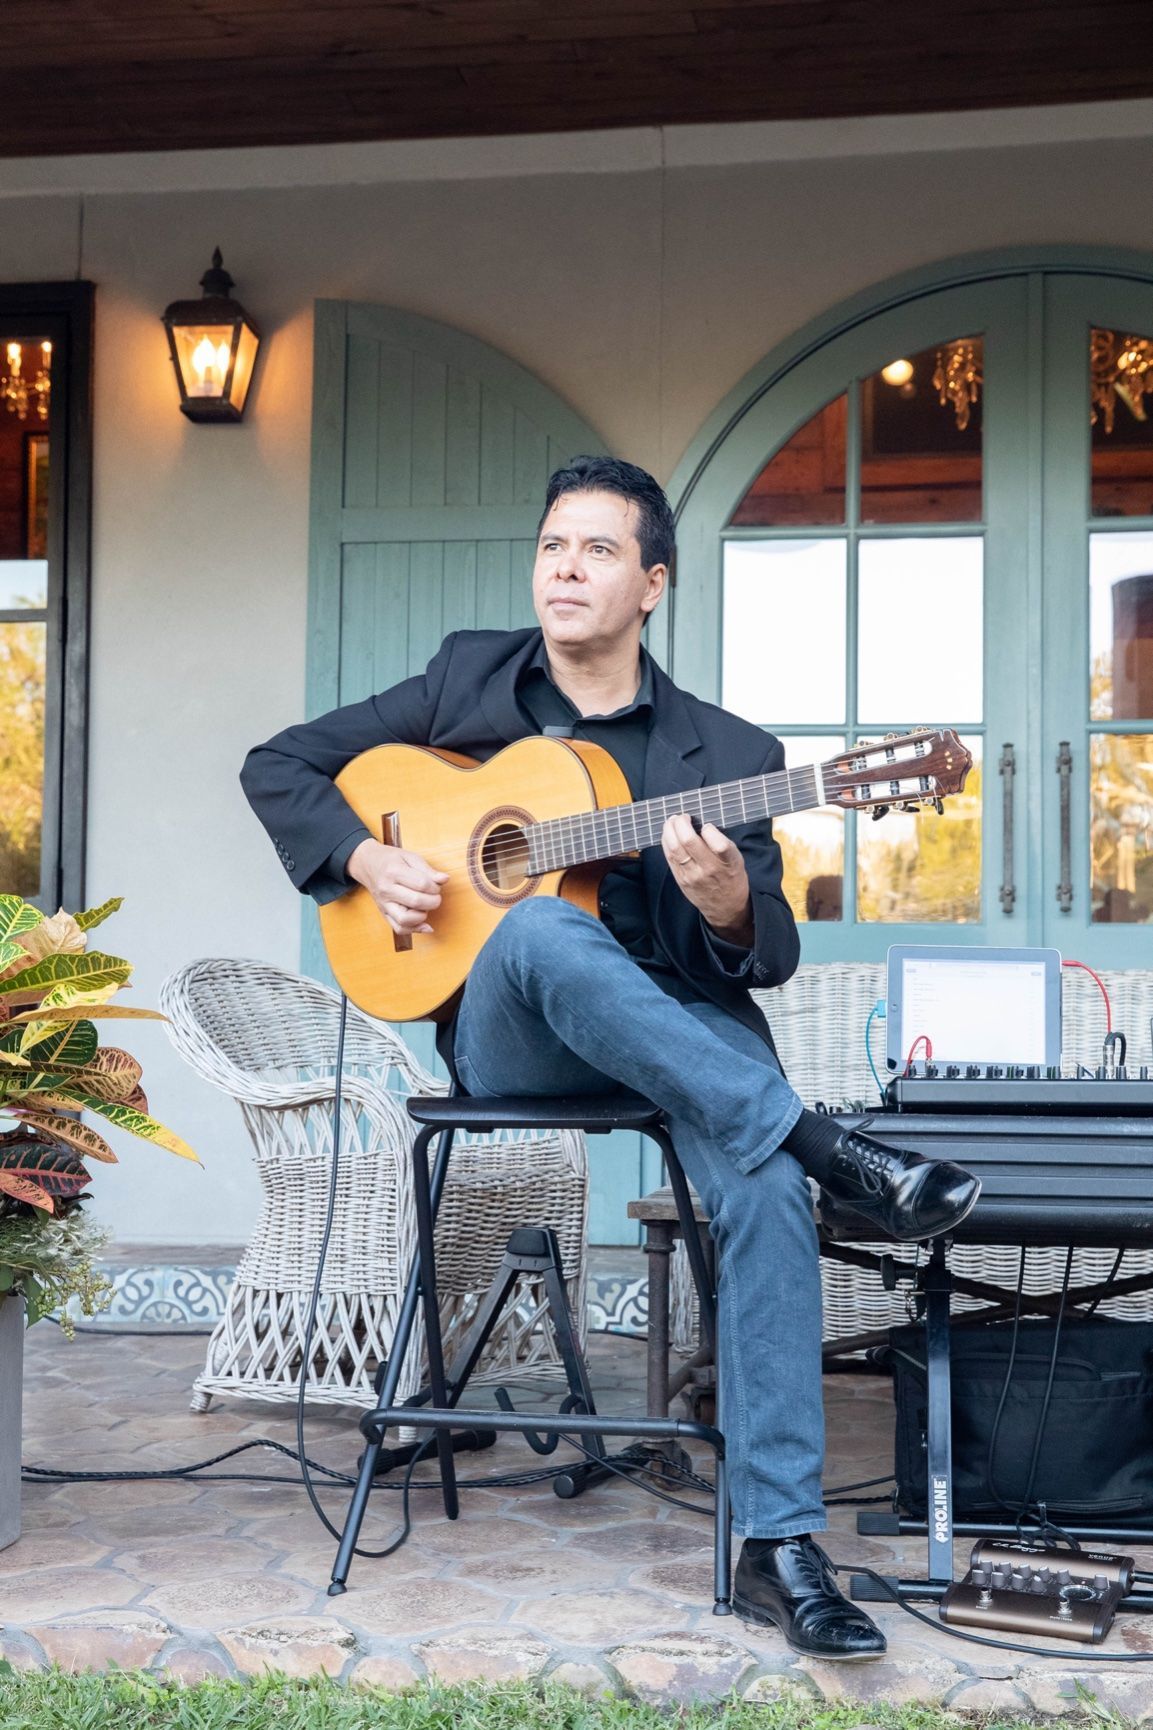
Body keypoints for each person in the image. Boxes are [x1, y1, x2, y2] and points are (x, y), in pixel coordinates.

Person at [242, 456, 979, 1659]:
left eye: (596, 549)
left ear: (652, 584)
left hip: (684, 1034)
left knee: (762, 1188)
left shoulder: (727, 750)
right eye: (552, 546)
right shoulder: (465, 678)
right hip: (517, 1033)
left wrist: (729, 904)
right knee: (540, 928)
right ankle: (819, 1138)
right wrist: (364, 859)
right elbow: (278, 763)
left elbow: (768, 949)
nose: (566, 569)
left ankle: (778, 1545)